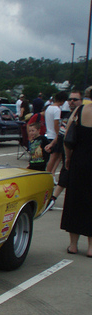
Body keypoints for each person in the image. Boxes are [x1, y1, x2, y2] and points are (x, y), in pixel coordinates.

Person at [60, 99, 92, 257]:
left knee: (75, 200)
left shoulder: (79, 111)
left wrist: (68, 158)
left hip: (79, 160)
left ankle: (73, 245)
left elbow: (67, 137)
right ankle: (91, 247)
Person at [47, 90, 84, 210]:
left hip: (79, 153)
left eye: (75, 100)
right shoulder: (67, 115)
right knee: (65, 174)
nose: (71, 102)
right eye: (70, 99)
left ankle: (53, 198)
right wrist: (53, 144)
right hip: (66, 150)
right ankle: (52, 198)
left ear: (81, 101)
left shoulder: (83, 117)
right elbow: (62, 134)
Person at [44, 91, 68, 177]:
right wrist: (59, 134)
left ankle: (51, 173)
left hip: (49, 133)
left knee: (57, 156)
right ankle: (48, 174)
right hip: (54, 135)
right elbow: (56, 124)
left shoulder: (49, 108)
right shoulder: (57, 110)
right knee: (53, 157)